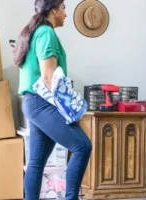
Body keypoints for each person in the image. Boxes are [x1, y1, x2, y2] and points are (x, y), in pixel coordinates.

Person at [14, 0, 92, 200]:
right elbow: (49, 77)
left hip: (33, 103)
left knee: (36, 162)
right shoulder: (46, 33)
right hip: (42, 103)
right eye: (64, 8)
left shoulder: (35, 32)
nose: (66, 14)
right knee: (82, 146)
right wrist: (68, 110)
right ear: (54, 9)